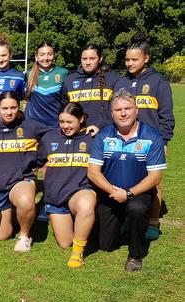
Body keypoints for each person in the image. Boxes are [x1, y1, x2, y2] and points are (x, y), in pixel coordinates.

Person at [88, 89, 165, 272]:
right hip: (111, 194)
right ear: (111, 113)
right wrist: (113, 191)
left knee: (136, 208)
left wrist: (129, 193)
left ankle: (135, 254)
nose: (123, 113)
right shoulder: (104, 135)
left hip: (138, 193)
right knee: (105, 245)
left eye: (128, 108)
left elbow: (155, 176)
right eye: (118, 110)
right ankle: (126, 224)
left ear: (136, 110)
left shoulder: (152, 136)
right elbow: (93, 172)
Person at [114, 33, 174, 240]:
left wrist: (164, 141)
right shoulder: (121, 81)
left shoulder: (158, 82)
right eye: (127, 60)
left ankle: (153, 223)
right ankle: (126, 219)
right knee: (124, 178)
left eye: (134, 59)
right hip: (124, 139)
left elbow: (166, 115)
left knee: (154, 182)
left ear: (146, 58)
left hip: (151, 141)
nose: (129, 63)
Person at [0, 91, 51, 252]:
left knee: (25, 199)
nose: (9, 112)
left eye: (13, 107)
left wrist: (39, 160)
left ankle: (24, 236)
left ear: (20, 106)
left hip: (21, 180)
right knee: (3, 235)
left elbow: (55, 134)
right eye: (5, 108)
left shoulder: (31, 126)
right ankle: (18, 214)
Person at [38, 103, 96, 268]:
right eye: (62, 122)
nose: (65, 126)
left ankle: (77, 253)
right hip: (56, 198)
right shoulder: (49, 138)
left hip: (79, 191)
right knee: (65, 243)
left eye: (70, 122)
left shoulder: (92, 138)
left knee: (86, 203)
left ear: (82, 119)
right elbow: (39, 162)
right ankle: (66, 219)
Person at [62, 44, 119, 129]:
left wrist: (99, 125)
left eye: (92, 59)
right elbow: (65, 109)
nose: (87, 62)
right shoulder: (69, 80)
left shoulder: (112, 78)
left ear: (100, 59)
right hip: (78, 134)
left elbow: (118, 109)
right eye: (84, 59)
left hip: (105, 131)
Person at [24, 41, 68, 127]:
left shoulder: (63, 73)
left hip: (55, 124)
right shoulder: (29, 74)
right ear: (36, 56)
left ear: (54, 55)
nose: (46, 58)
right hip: (33, 124)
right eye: (42, 54)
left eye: (50, 54)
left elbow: (66, 101)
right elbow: (25, 97)